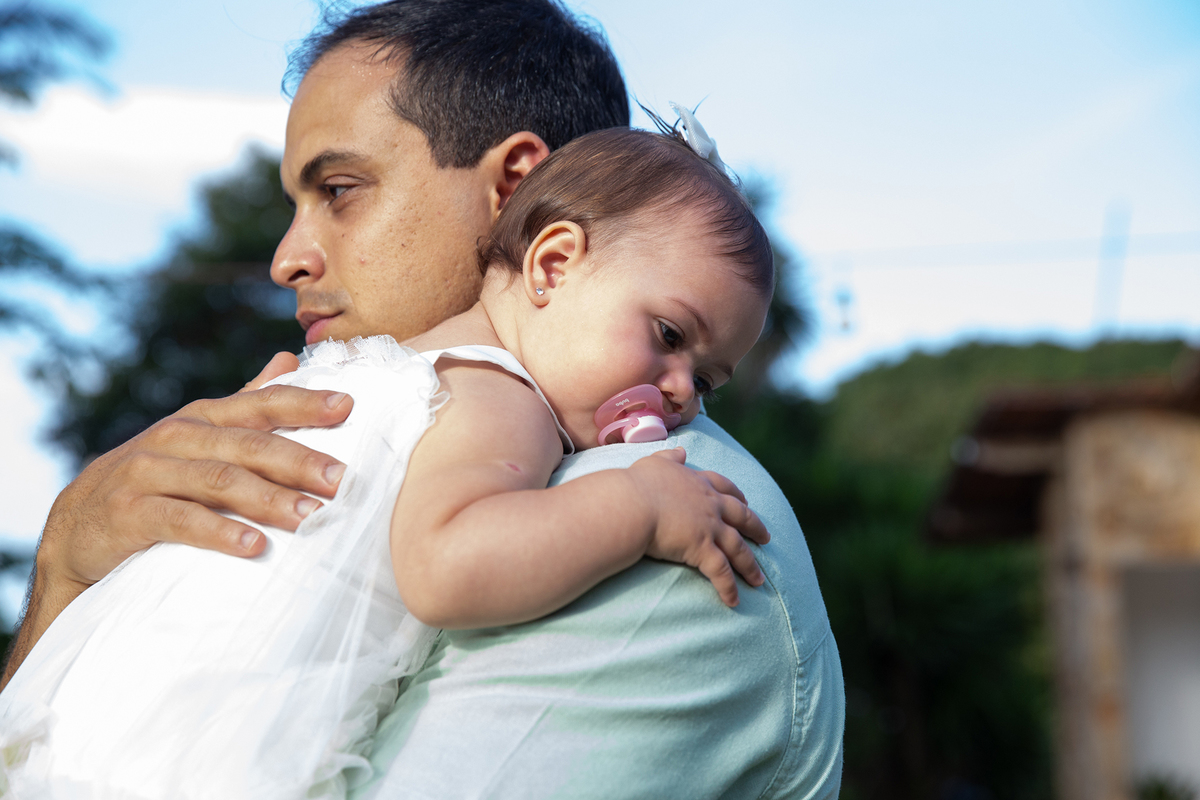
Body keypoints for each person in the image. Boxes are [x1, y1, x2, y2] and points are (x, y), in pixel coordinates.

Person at [3, 2, 845, 797]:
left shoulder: (669, 498)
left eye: (339, 190)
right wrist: (67, 572)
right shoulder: (359, 401)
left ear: (519, 185)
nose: (286, 259)